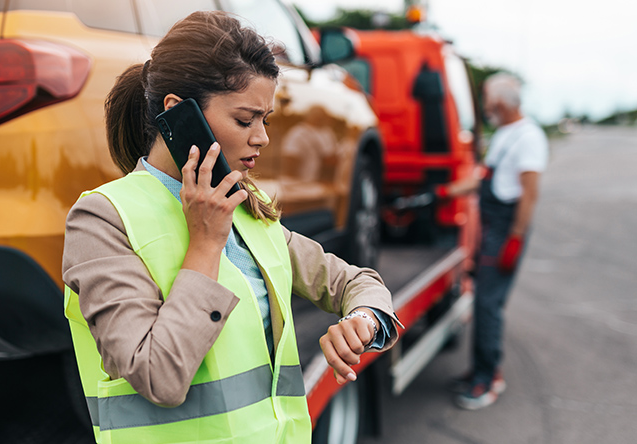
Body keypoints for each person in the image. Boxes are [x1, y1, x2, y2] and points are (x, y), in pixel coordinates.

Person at [61, 11, 402, 443]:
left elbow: (356, 281)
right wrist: (205, 245)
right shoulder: (102, 219)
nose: (262, 138)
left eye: (265, 119)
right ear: (178, 113)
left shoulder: (245, 209)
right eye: (245, 120)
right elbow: (157, 376)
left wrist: (363, 321)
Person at [436, 73, 549, 410]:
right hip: (493, 229)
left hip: (506, 229)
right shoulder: (504, 134)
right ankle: (480, 371)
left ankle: (487, 379)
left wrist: (514, 239)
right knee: (483, 301)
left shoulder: (529, 137)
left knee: (487, 304)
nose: (485, 108)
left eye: (487, 100)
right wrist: (445, 192)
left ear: (499, 103)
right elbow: (483, 179)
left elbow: (529, 194)